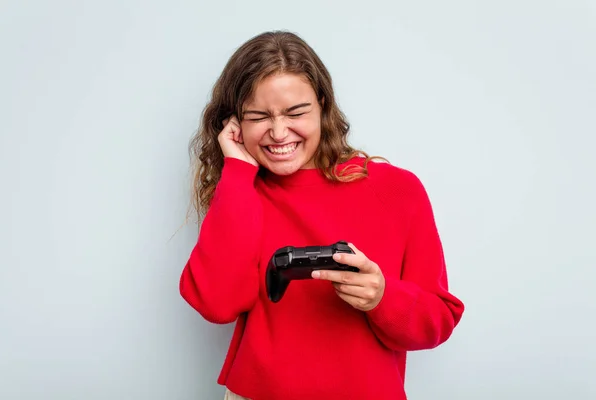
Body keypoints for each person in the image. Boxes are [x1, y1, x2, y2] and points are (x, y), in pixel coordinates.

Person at [179, 30, 465, 400]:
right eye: (258, 116)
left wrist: (382, 296)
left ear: (323, 106)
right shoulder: (241, 192)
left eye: (296, 112)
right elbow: (216, 304)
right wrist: (235, 172)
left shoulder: (397, 191)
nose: (279, 133)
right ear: (235, 124)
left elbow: (438, 320)